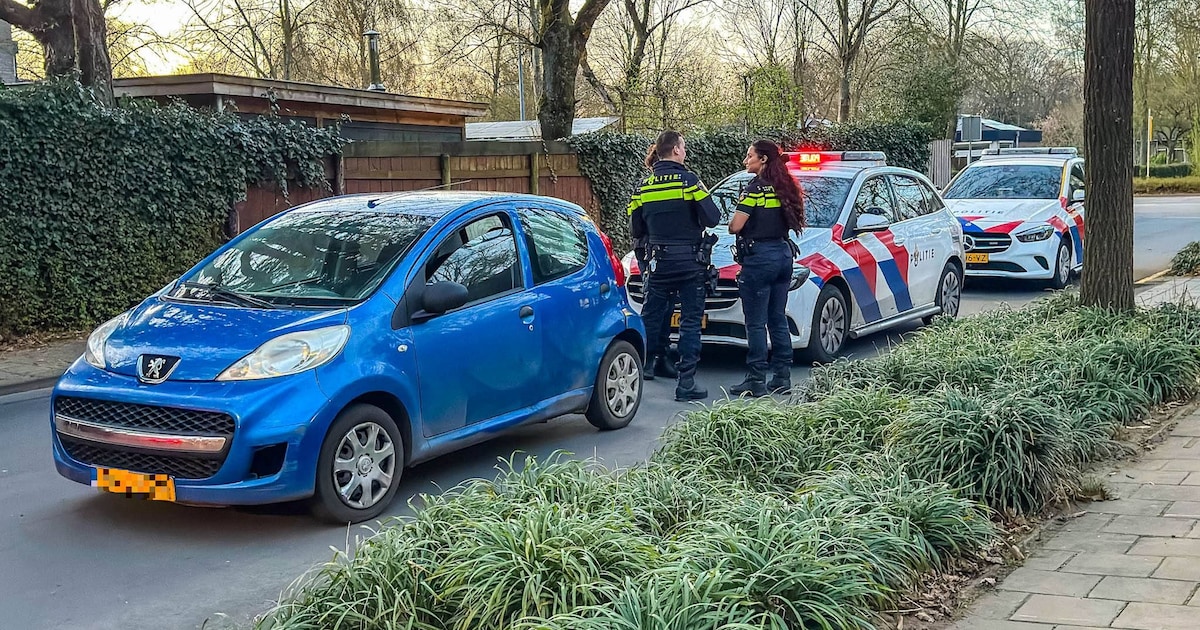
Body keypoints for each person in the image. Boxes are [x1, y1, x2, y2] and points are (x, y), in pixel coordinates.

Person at [628, 131, 720, 401]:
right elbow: (712, 218)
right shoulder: (690, 181)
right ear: (676, 150)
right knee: (690, 321)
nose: (685, 151)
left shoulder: (642, 187)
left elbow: (636, 229)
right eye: (684, 146)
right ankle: (686, 382)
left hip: (658, 262)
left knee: (651, 316)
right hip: (690, 262)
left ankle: (640, 374)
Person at [727, 139, 806, 397]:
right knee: (777, 318)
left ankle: (756, 379)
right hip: (783, 255)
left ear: (763, 159)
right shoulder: (784, 187)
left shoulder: (754, 190)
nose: (745, 160)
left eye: (749, 156)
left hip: (759, 259)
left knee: (756, 323)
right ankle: (782, 377)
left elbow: (735, 226)